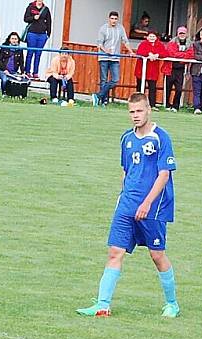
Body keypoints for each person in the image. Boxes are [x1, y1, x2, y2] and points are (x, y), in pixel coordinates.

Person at [76, 92, 180, 318]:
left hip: (153, 208)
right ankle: (102, 304)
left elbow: (164, 175)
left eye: (139, 111)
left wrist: (146, 203)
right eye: (132, 112)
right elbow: (126, 171)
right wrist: (124, 197)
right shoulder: (126, 138)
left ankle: (172, 303)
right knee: (114, 252)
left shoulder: (161, 138)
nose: (135, 116)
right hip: (126, 206)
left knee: (157, 255)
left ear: (149, 110)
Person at [93, 11, 133, 107]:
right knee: (104, 79)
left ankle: (98, 96)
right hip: (104, 57)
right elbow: (99, 44)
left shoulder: (120, 28)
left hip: (115, 58)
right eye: (112, 18)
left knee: (115, 80)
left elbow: (125, 41)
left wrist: (130, 51)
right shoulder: (103, 28)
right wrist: (106, 51)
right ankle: (103, 101)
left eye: (115, 19)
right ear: (109, 19)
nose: (114, 21)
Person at [163, 26, 193, 112]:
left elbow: (190, 55)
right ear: (177, 34)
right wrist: (183, 55)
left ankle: (176, 106)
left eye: (183, 33)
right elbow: (172, 53)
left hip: (181, 69)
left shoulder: (189, 44)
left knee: (179, 89)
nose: (182, 35)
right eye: (180, 33)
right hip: (170, 68)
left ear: (186, 34)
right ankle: (167, 105)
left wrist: (180, 56)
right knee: (168, 88)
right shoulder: (172, 42)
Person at [135, 30, 167, 107]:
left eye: (153, 36)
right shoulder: (143, 44)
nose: (152, 38)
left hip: (153, 71)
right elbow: (139, 52)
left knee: (152, 88)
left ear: (156, 37)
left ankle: (152, 105)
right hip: (142, 70)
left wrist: (157, 55)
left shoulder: (160, 45)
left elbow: (165, 53)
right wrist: (148, 54)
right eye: (150, 36)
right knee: (140, 87)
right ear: (147, 37)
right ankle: (138, 104)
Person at [23, 0, 51, 78]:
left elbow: (49, 22)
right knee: (30, 53)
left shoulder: (46, 9)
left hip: (42, 34)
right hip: (32, 33)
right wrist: (33, 18)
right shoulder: (30, 7)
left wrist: (48, 34)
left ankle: (35, 73)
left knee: (38, 54)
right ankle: (27, 71)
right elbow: (25, 19)